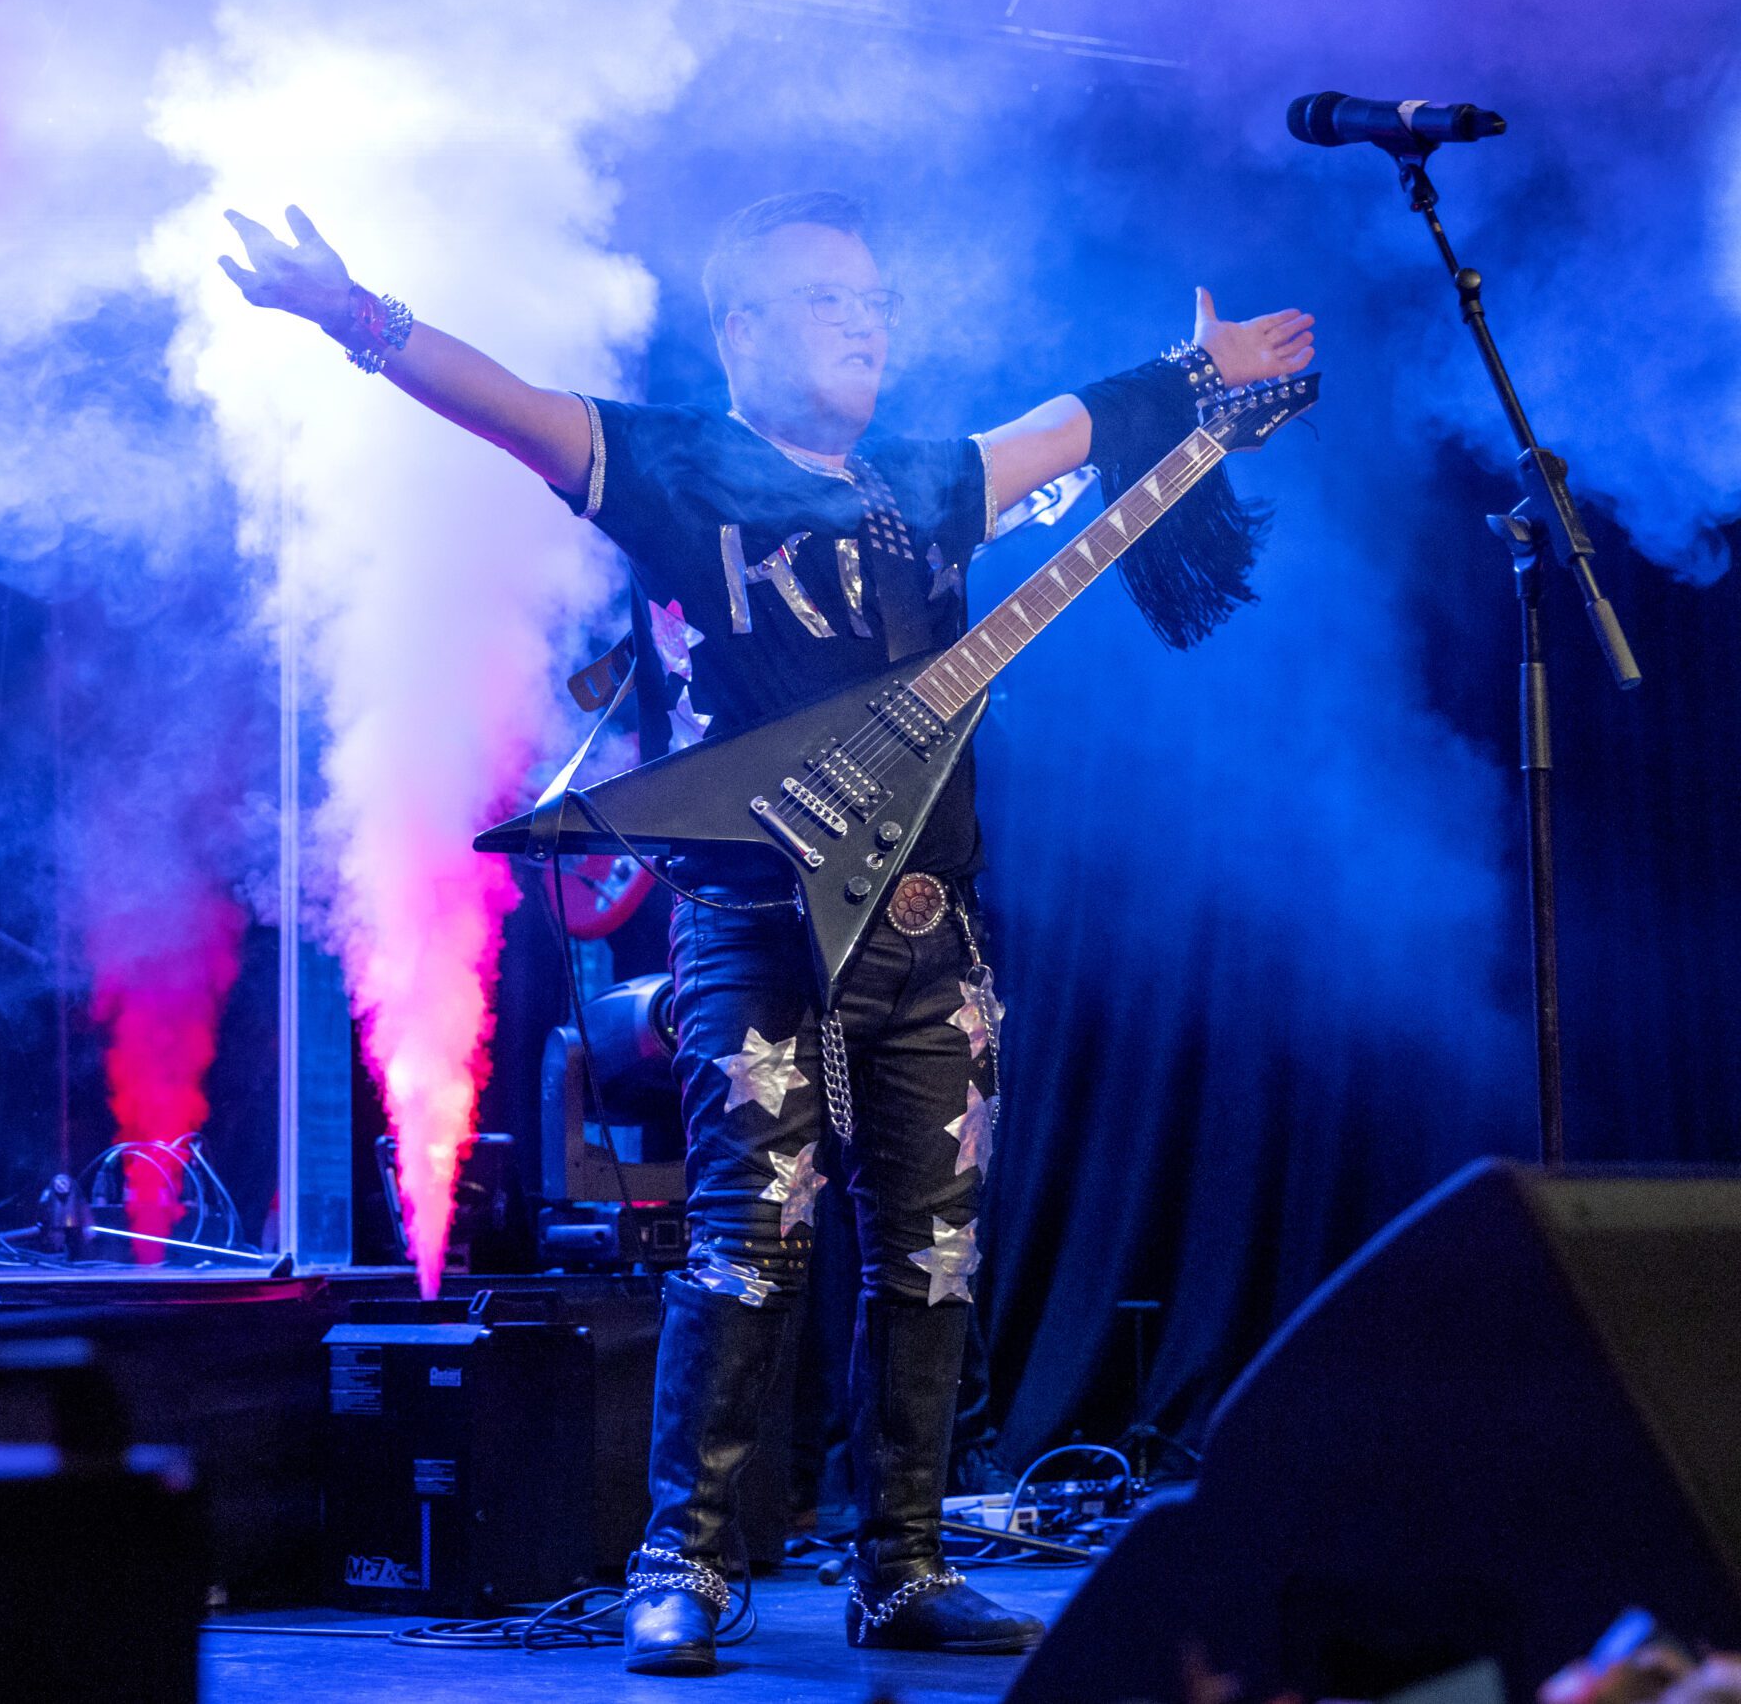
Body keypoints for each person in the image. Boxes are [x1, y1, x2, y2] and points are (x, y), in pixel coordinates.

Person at [220, 189, 1313, 1675]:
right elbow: (519, 410)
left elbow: (1068, 425)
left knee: (933, 1255)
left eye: (874, 301)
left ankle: (906, 1563)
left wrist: (1199, 377)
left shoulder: (925, 480)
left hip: (935, 936)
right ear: (742, 328)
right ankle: (688, 1562)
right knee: (746, 1246)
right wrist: (359, 316)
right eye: (823, 300)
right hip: (753, 923)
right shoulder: (682, 466)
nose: (863, 323)